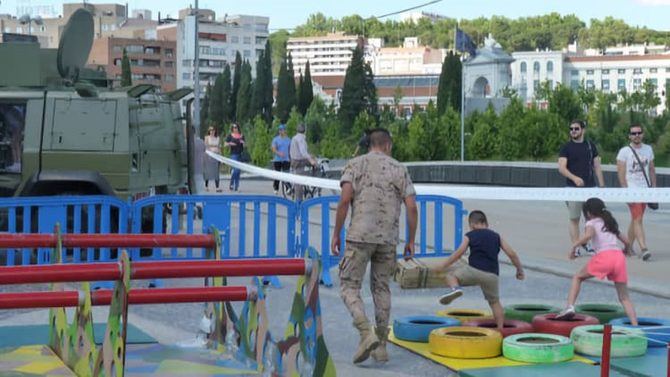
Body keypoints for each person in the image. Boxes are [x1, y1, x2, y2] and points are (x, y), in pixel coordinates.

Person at [331, 128, 418, 364]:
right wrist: (411, 240)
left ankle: (364, 332)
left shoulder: (355, 164)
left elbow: (345, 200)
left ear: (370, 144)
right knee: (381, 289)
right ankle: (381, 347)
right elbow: (411, 207)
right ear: (388, 145)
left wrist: (336, 234)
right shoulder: (399, 169)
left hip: (359, 236)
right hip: (387, 239)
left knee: (349, 286)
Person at [438, 210, 525, 331]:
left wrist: (442, 265)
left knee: (451, 275)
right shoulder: (496, 236)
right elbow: (512, 254)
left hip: (473, 271)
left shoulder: (470, 235)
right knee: (495, 302)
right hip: (492, 275)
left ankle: (456, 289)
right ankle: (500, 330)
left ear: (472, 225)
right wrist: (519, 270)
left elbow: (458, 253)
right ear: (486, 223)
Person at [555, 198, 638, 325]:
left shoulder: (591, 223)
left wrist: (574, 246)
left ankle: (569, 307)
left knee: (578, 277)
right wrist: (627, 250)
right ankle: (635, 325)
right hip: (618, 257)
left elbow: (588, 236)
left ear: (588, 213)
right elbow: (627, 242)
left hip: (604, 256)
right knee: (624, 297)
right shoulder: (610, 222)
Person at [558, 119, 605, 257]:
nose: (573, 131)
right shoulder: (566, 147)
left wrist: (602, 186)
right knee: (574, 219)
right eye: (571, 129)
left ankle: (587, 243)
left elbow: (597, 166)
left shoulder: (591, 146)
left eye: (576, 128)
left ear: (583, 130)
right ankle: (576, 246)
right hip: (572, 189)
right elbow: (561, 167)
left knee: (592, 218)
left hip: (591, 188)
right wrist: (574, 178)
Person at [616, 124, 656, 261]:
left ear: (643, 134)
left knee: (635, 219)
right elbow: (621, 173)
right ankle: (644, 248)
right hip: (632, 190)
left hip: (645, 189)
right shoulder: (624, 152)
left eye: (639, 133)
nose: (636, 135)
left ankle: (628, 247)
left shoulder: (648, 149)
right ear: (629, 136)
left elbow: (651, 169)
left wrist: (653, 188)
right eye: (633, 133)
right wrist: (625, 191)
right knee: (638, 219)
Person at [289, 123, 317, 201]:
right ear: (305, 131)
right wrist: (311, 160)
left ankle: (310, 182)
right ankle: (299, 200)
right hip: (298, 161)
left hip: (294, 160)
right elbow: (303, 152)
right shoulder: (301, 139)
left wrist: (311, 156)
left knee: (313, 159)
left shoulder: (294, 137)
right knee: (299, 180)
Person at [271, 124, 291, 194]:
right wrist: (279, 153)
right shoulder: (276, 139)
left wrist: (290, 157)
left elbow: (290, 149)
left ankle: (288, 188)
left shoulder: (288, 140)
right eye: (280, 130)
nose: (281, 131)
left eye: (282, 130)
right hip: (278, 160)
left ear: (285, 131)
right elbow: (273, 148)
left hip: (286, 159)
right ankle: (276, 188)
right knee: (277, 174)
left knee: (286, 174)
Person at [224, 123, 245, 192]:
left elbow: (245, 145)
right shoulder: (230, 136)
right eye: (233, 127)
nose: (235, 129)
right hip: (233, 154)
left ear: (238, 128)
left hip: (240, 154)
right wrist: (230, 143)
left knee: (238, 171)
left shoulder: (241, 135)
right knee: (235, 169)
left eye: (236, 127)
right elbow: (225, 144)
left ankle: (236, 186)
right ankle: (232, 184)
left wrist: (243, 143)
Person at [203, 126, 221, 192]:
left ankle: (217, 187)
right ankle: (206, 186)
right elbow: (206, 147)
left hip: (216, 156)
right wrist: (208, 155)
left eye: (213, 130)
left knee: (216, 172)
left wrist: (220, 156)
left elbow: (219, 147)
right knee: (208, 171)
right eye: (210, 130)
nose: (212, 131)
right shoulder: (207, 138)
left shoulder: (217, 138)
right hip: (209, 156)